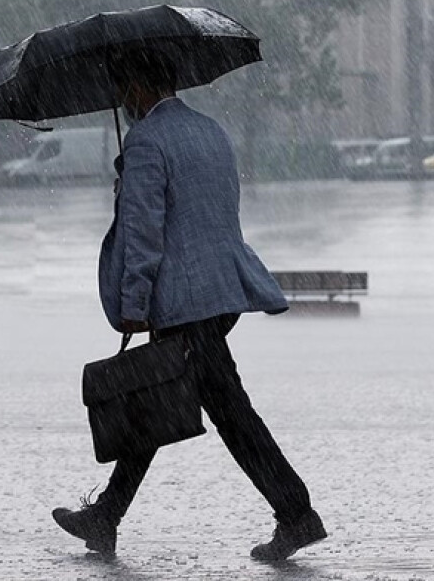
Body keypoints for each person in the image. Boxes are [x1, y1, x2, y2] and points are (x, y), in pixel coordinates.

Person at [51, 48, 326, 561]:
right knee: (158, 399)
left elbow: (144, 233)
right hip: (220, 293)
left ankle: (297, 514)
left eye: (122, 88)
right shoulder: (211, 132)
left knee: (224, 411)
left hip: (182, 302)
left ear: (138, 85)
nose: (121, 100)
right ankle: (106, 516)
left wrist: (134, 302)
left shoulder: (147, 141)